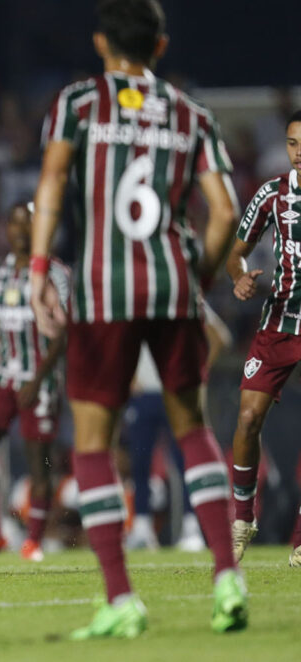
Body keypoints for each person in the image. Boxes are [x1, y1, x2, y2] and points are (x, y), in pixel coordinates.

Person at [29, 0, 247, 638]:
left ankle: (122, 599)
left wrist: (41, 269)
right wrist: (196, 280)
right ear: (161, 45)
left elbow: (51, 182)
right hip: (173, 285)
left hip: (103, 291)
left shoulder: (78, 103)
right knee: (193, 427)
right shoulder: (193, 115)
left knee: (93, 439)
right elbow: (226, 214)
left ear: (101, 43)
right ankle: (228, 578)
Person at [0, 202, 68, 562]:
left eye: (29, 224)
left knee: (38, 460)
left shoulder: (54, 274)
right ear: (6, 229)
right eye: (15, 224)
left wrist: (39, 378)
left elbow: (65, 332)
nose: (21, 231)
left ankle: (34, 540)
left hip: (38, 379)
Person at [225, 109, 301, 569]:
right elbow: (236, 253)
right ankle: (241, 519)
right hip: (280, 320)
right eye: (292, 143)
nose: (299, 151)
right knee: (248, 417)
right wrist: (239, 279)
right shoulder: (272, 194)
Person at [123, 303, 231, 552]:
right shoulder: (136, 293)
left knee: (185, 462)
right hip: (145, 394)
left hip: (176, 391)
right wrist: (128, 375)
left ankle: (191, 527)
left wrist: (198, 372)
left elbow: (220, 336)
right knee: (139, 463)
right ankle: (141, 527)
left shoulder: (184, 289)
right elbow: (120, 339)